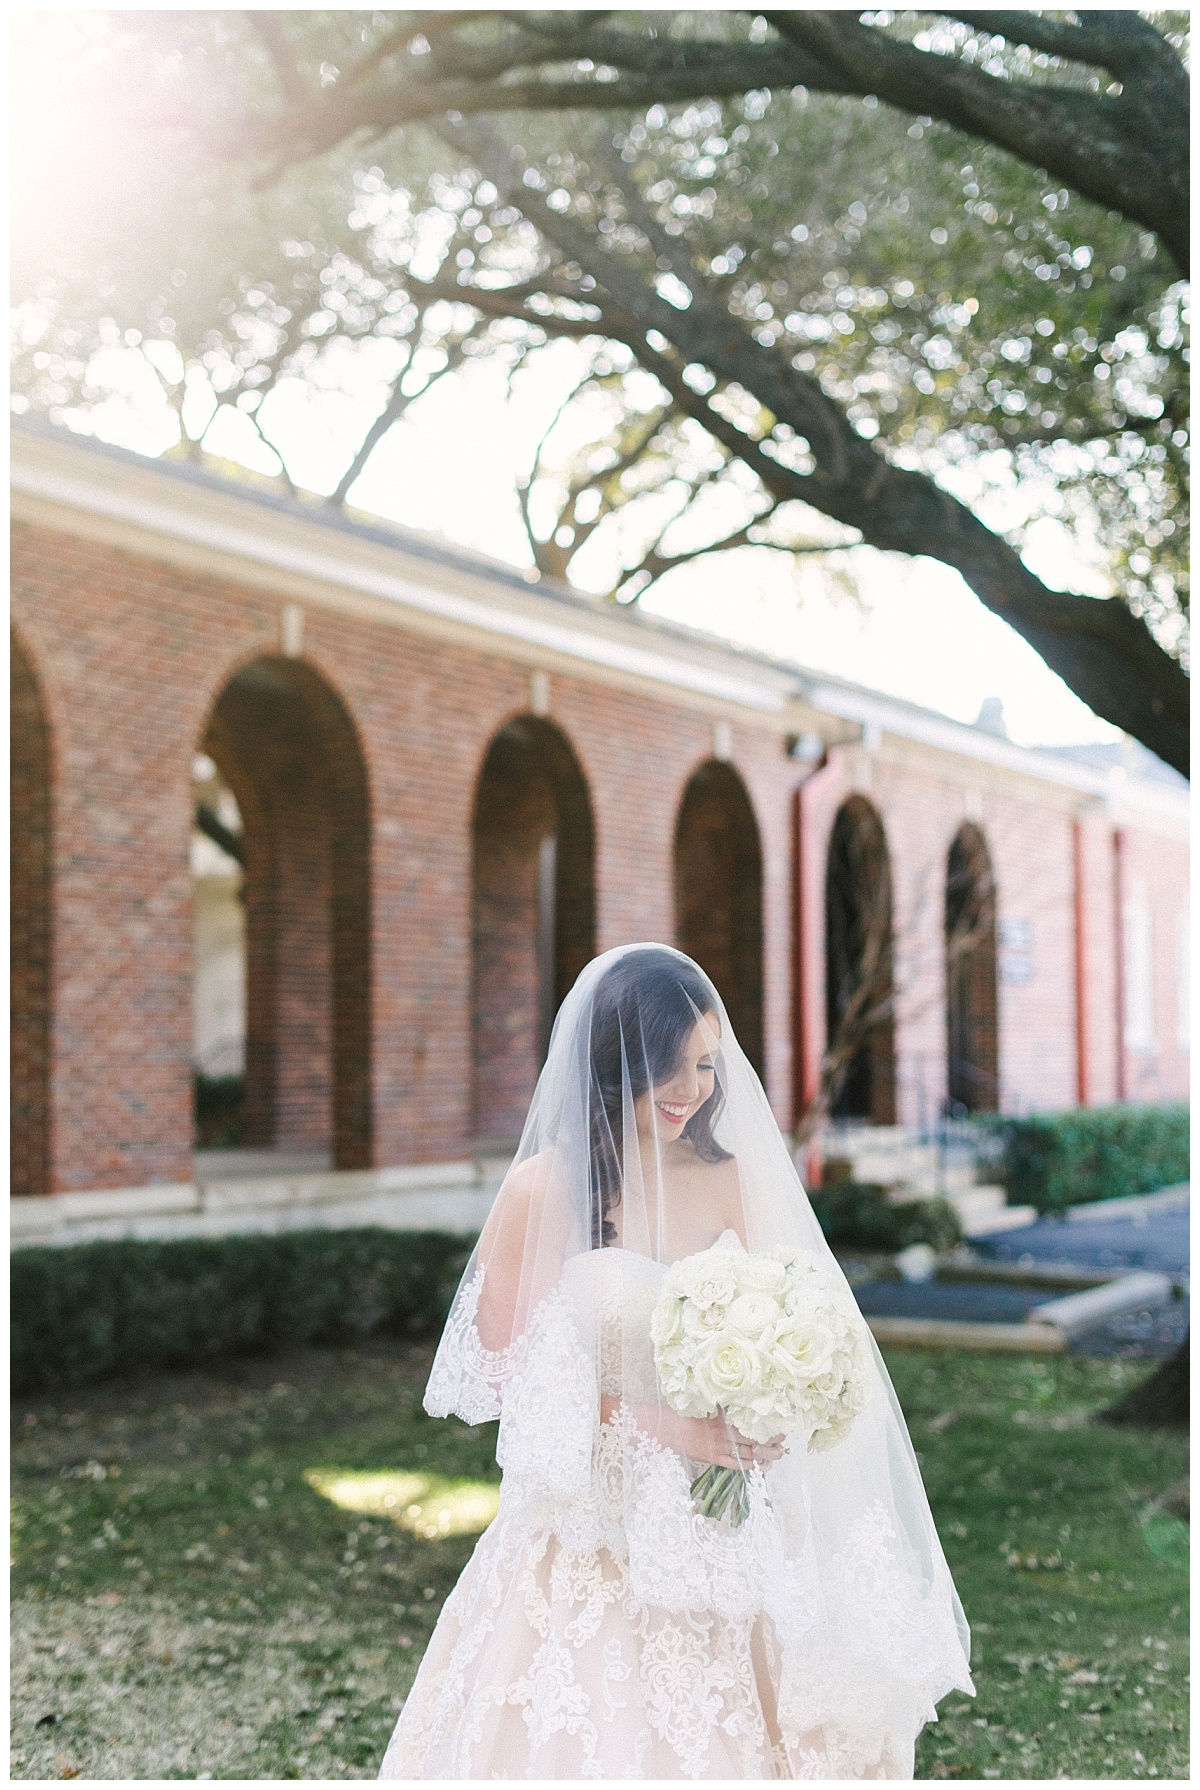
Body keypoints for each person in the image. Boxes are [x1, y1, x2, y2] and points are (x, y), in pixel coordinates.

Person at [379, 944, 973, 1779]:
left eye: (705, 1064)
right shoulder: (542, 1193)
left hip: (726, 1524)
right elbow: (505, 1378)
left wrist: (775, 1395)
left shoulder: (732, 1181)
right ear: (616, 1059)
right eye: (669, 1065)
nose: (691, 1090)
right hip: (589, 1530)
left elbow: (799, 1312)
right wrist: (661, 1426)